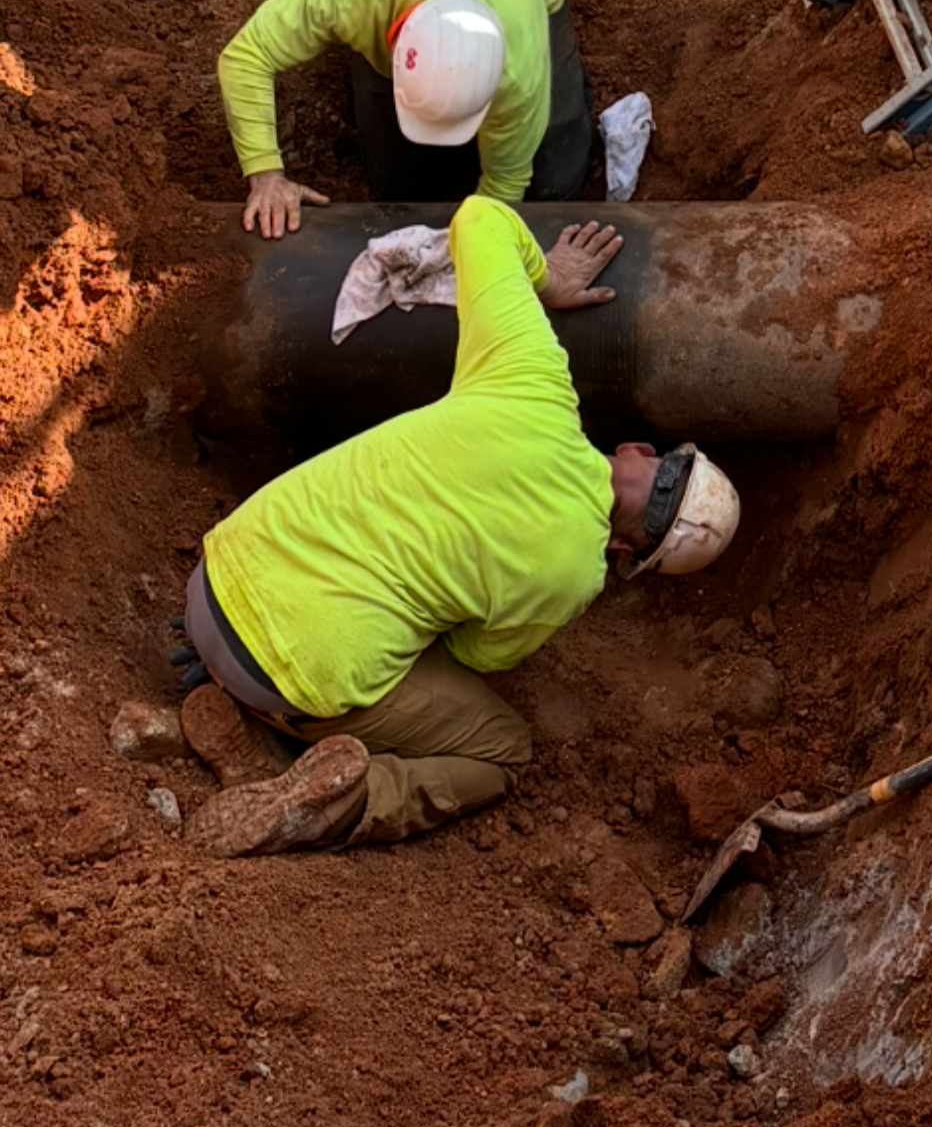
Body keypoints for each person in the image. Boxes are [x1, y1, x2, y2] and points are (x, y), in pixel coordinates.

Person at [175, 195, 740, 857]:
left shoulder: (532, 382)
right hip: (292, 675)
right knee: (501, 750)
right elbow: (473, 654)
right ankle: (340, 800)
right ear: (624, 547)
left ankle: (226, 688)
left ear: (641, 451)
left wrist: (547, 279)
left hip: (214, 579)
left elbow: (479, 218)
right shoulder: (572, 575)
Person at [218, 0, 594, 237]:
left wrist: (478, 243)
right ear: (396, 42)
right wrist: (266, 175)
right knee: (397, 183)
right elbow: (247, 56)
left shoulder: (519, 66)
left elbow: (507, 184)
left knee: (553, 172)